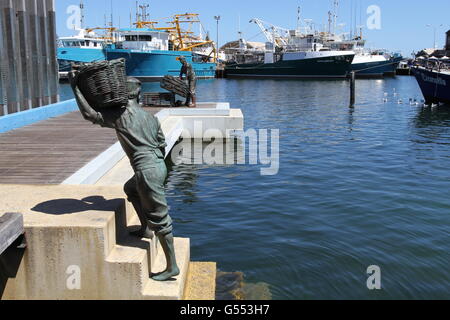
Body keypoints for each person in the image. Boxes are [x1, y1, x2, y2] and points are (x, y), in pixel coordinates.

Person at [68, 72, 179, 282]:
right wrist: (154, 166)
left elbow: (90, 114)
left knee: (162, 221)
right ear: (138, 93)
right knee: (130, 189)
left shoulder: (119, 116)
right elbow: (162, 144)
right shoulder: (150, 117)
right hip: (156, 166)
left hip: (147, 170)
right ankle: (146, 228)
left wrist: (75, 88)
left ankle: (172, 266)